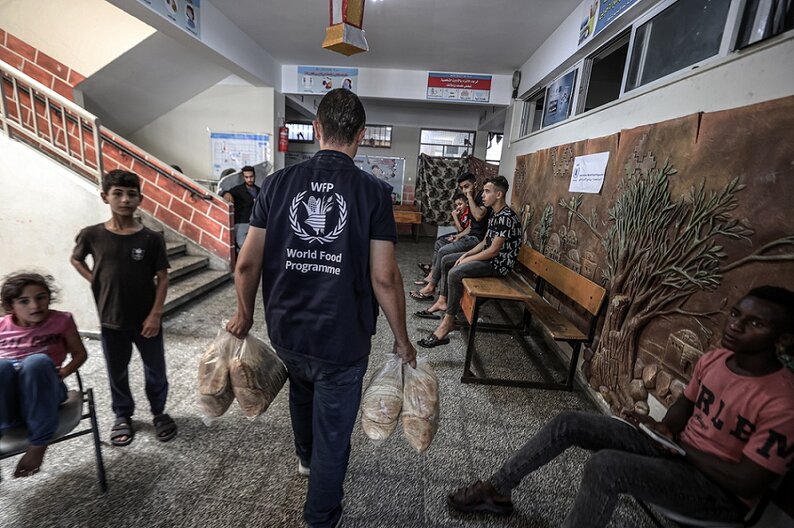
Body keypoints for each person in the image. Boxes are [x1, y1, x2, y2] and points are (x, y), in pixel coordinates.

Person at [447, 286, 794, 527]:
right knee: (570, 422)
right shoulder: (716, 360)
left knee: (606, 466)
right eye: (736, 314)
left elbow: (748, 483)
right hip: (678, 452)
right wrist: (659, 429)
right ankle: (497, 490)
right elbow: (680, 414)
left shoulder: (783, 402)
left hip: (718, 492)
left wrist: (680, 448)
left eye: (755, 323)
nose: (735, 325)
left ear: (782, 341)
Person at [226, 88, 417, 528]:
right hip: (342, 338)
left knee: (301, 389)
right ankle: (320, 517)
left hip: (288, 332)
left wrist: (245, 314)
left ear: (316, 130)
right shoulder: (373, 193)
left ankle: (305, 460)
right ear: (362, 135)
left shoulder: (274, 185)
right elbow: (384, 277)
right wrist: (403, 341)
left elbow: (248, 262)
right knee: (335, 431)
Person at [71, 169, 176, 447]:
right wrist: (95, 278)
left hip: (146, 320)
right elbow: (77, 259)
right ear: (105, 196)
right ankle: (122, 415)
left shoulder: (152, 238)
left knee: (155, 370)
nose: (125, 200)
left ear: (140, 198)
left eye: (131, 194)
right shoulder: (92, 235)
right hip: (111, 319)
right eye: (117, 193)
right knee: (117, 370)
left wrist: (155, 314)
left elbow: (163, 277)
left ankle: (159, 412)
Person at [0, 272, 87, 477]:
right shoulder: (2, 327)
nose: (35, 306)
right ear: (11, 305)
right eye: (24, 301)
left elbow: (80, 354)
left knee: (36, 362)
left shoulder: (61, 320)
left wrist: (65, 371)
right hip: (9, 401)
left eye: (41, 297)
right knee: (2, 367)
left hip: (46, 390)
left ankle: (38, 444)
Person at [416, 176, 521, 343]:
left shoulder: (506, 217)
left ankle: (448, 323)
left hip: (498, 265)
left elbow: (493, 251)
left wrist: (466, 260)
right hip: (489, 259)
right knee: (447, 260)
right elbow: (485, 241)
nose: (483, 195)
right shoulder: (495, 214)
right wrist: (466, 255)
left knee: (455, 273)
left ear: (499, 194)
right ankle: (443, 301)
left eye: (487, 192)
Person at [410, 172, 490, 301]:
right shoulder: (474, 199)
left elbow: (479, 216)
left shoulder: (481, 197)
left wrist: (469, 197)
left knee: (444, 252)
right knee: (440, 242)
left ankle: (431, 286)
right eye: (462, 188)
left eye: (467, 186)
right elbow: (471, 227)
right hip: (469, 236)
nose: (465, 190)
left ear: (475, 184)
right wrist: (458, 236)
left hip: (476, 240)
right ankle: (432, 275)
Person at [414, 192, 471, 287]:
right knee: (439, 240)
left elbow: (461, 230)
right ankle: (432, 268)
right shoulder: (463, 212)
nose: (458, 207)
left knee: (441, 245)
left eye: (460, 204)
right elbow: (459, 230)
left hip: (465, 238)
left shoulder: (469, 213)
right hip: (460, 235)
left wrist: (455, 217)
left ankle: (432, 274)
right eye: (457, 205)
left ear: (467, 203)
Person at [223, 165, 260, 252]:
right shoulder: (238, 190)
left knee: (256, 246)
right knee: (242, 245)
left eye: (251, 177)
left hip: (256, 222)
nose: (249, 179)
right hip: (242, 222)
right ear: (243, 177)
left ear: (254, 176)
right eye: (246, 177)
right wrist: (226, 193)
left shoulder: (259, 190)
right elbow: (226, 192)